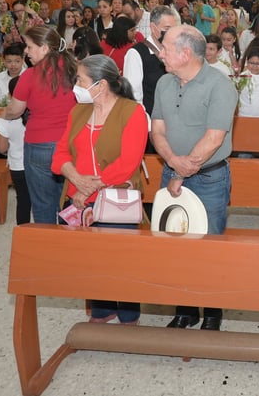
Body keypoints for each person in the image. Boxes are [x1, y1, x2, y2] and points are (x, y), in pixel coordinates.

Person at [151, 25, 238, 332]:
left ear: (185, 53)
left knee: (208, 247)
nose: (160, 53)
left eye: (165, 48)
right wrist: (172, 163)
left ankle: (212, 313)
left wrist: (179, 171)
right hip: (171, 172)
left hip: (209, 179)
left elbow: (214, 138)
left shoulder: (220, 85)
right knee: (175, 245)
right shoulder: (164, 82)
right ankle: (185, 309)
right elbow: (157, 129)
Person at [52, 55, 148, 325]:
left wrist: (88, 187)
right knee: (91, 262)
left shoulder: (132, 111)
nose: (76, 85)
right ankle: (102, 310)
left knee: (122, 262)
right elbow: (59, 155)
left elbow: (128, 163)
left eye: (81, 80)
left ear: (101, 85)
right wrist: (75, 178)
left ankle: (129, 315)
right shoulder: (78, 111)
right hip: (79, 201)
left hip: (115, 200)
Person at [1, 26, 77, 224]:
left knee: (43, 204)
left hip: (39, 144)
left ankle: (47, 249)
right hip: (71, 143)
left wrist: (4, 113)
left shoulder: (30, 75)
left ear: (44, 48)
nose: (26, 51)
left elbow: (16, 110)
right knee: (71, 202)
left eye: (29, 47)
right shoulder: (75, 70)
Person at [124, 6, 177, 119]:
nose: (172, 33)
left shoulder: (177, 50)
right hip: (150, 120)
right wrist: (147, 125)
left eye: (174, 28)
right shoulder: (136, 53)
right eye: (167, 28)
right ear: (153, 27)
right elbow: (133, 96)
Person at [0, 76, 30, 224]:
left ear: (10, 96)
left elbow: (2, 148)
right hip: (41, 164)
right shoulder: (40, 115)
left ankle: (23, 232)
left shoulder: (5, 119)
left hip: (18, 165)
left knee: (23, 200)